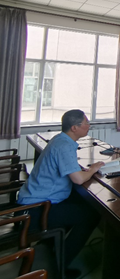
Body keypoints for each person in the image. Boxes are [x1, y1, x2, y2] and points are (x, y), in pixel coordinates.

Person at [18, 110, 105, 278]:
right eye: (86, 123)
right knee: (90, 215)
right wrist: (93, 169)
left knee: (81, 201)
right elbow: (78, 180)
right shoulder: (64, 146)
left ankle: (50, 248)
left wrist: (81, 171)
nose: (89, 126)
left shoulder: (60, 139)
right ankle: (59, 267)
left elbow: (71, 171)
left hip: (37, 201)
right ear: (74, 127)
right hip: (35, 209)